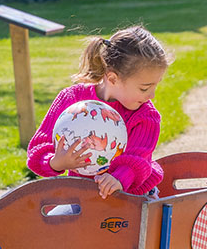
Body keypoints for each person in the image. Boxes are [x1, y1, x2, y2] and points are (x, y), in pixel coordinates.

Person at [26, 25, 169, 198]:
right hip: (84, 194)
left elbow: (138, 159)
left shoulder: (146, 116)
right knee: (52, 222)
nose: (152, 95)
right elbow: (38, 149)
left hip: (133, 195)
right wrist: (56, 162)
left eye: (156, 85)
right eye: (145, 88)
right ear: (112, 78)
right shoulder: (73, 99)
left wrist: (119, 179)